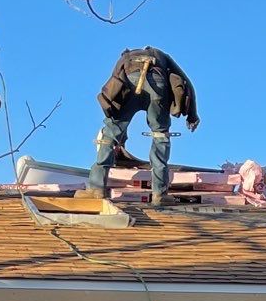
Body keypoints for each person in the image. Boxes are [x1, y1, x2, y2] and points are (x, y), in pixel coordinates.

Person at [85, 46, 199, 209]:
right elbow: (186, 81)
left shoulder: (125, 58)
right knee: (160, 135)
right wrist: (192, 115)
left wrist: (118, 134)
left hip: (130, 80)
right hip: (157, 84)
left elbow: (114, 86)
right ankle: (159, 194)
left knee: (110, 135)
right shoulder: (161, 56)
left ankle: (96, 188)